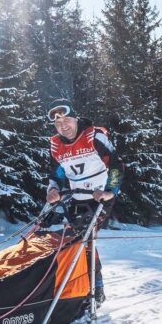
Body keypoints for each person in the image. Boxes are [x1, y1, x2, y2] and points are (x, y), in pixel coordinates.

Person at [44, 100, 122, 306]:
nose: (63, 126)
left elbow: (115, 165)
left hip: (99, 197)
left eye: (66, 120)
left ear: (76, 119)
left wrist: (109, 192)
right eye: (58, 123)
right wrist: (53, 190)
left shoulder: (93, 136)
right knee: (72, 240)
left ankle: (96, 290)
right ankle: (76, 288)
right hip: (76, 197)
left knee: (85, 240)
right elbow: (57, 174)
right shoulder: (56, 146)